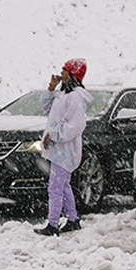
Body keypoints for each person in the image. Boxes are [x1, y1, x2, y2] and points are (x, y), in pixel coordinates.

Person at [34, 58, 92, 236]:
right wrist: (51, 88)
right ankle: (73, 219)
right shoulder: (64, 94)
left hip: (65, 151)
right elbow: (46, 109)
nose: (61, 73)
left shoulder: (75, 97)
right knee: (63, 185)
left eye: (65, 70)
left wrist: (54, 135)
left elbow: (75, 125)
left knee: (55, 188)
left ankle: (53, 224)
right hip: (59, 150)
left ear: (73, 74)